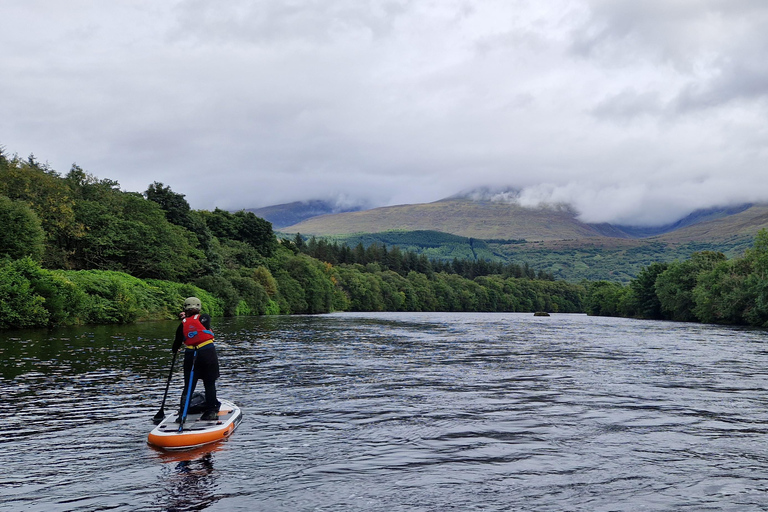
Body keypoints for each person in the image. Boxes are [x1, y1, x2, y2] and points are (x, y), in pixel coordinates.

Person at [172, 296, 221, 421]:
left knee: (189, 385)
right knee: (209, 383)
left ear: (185, 308)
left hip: (190, 355)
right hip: (207, 354)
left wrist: (186, 320)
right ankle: (211, 412)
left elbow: (176, 344)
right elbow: (205, 325)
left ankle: (182, 414)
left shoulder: (182, 324)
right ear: (199, 308)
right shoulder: (204, 317)